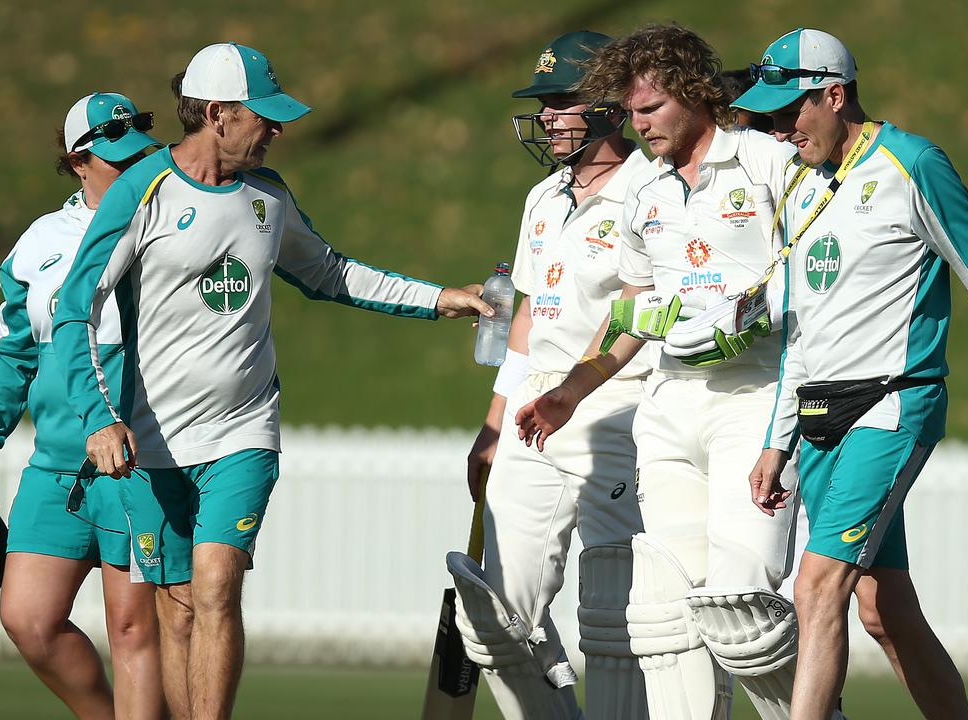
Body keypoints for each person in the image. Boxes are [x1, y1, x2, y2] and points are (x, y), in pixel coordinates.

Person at [50, 43, 489, 719]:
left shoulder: (269, 195)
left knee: (218, 583)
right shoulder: (145, 190)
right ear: (218, 113)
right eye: (264, 115)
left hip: (243, 430)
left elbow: (330, 272)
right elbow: (76, 306)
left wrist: (438, 298)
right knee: (177, 608)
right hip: (152, 437)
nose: (277, 129)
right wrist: (98, 417)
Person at [734, 28, 968, 720]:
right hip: (820, 418)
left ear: (834, 93)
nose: (780, 130)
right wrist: (778, 439)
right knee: (883, 609)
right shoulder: (801, 185)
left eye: (790, 112)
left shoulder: (913, 163)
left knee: (816, 587)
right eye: (768, 118)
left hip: (891, 408)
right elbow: (801, 330)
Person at [517, 23, 823, 720]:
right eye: (629, 111)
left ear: (693, 94)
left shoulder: (764, 161)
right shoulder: (645, 194)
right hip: (668, 406)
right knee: (676, 618)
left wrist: (765, 308)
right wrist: (574, 387)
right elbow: (638, 309)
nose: (637, 124)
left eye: (650, 109)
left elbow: (817, 265)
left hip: (755, 402)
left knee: (740, 604)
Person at [454, 31, 652, 719]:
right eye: (544, 103)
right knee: (496, 621)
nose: (547, 116)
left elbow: (636, 311)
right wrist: (491, 426)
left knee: (614, 615)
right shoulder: (542, 198)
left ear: (609, 106)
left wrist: (575, 389)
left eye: (562, 101)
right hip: (531, 414)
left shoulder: (647, 191)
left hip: (613, 411)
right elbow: (526, 317)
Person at [0, 92, 166, 720]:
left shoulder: (165, 227)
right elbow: (12, 354)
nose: (131, 170)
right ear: (78, 161)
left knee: (132, 630)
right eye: (114, 159)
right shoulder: (39, 241)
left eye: (138, 157)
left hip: (140, 461)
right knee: (28, 618)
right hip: (57, 467)